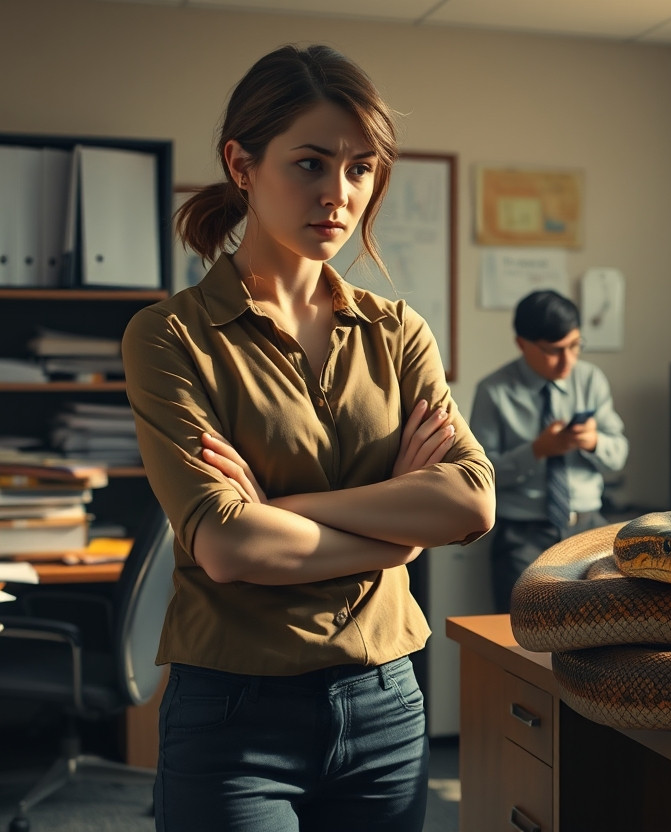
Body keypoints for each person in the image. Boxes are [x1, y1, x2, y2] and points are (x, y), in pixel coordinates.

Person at [120, 44, 495, 832]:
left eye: (361, 168)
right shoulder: (171, 337)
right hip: (233, 715)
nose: (339, 193)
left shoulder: (397, 332)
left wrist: (284, 505)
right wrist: (397, 537)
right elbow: (228, 548)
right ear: (242, 164)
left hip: (386, 704)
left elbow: (468, 501)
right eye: (311, 163)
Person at [469, 289, 629, 613]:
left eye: (575, 346)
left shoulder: (590, 380)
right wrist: (536, 451)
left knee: (600, 628)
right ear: (522, 344)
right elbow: (478, 476)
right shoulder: (493, 391)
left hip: (589, 529)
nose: (568, 360)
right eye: (554, 351)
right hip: (522, 537)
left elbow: (619, 453)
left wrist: (594, 442)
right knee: (519, 637)